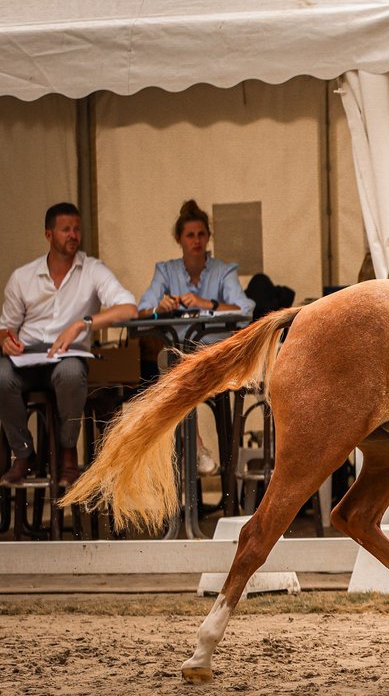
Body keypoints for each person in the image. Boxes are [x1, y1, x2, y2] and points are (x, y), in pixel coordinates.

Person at [0, 202, 137, 485]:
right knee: (1, 376)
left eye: (77, 229)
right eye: (66, 230)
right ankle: (24, 453)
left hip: (66, 357)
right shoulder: (23, 277)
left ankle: (67, 451)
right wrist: (6, 341)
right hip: (27, 356)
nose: (73, 235)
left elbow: (128, 308)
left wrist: (82, 324)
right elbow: (5, 327)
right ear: (49, 235)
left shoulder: (92, 269)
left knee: (73, 374)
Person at [137, 199, 255, 474]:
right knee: (172, 371)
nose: (196, 241)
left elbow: (245, 308)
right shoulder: (165, 271)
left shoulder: (223, 270)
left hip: (212, 355)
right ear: (179, 239)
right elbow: (142, 310)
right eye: (190, 235)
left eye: (201, 234)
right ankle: (194, 449)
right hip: (178, 354)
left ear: (208, 237)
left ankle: (196, 451)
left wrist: (207, 304)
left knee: (175, 378)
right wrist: (159, 308)